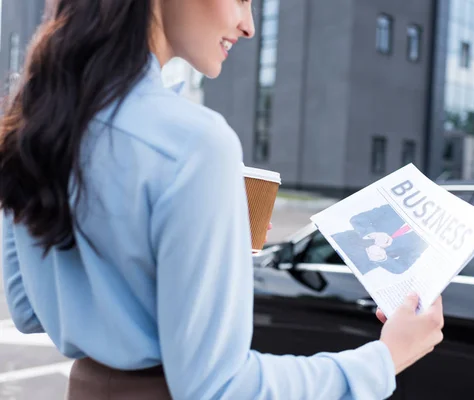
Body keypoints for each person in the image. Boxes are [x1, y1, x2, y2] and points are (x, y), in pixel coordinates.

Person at [0, 1, 444, 399]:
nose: (248, 25)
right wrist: (387, 358)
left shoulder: (38, 120)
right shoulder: (195, 144)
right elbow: (220, 387)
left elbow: (28, 310)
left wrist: (211, 250)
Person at [332, 205, 428, 275]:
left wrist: (382, 259)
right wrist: (373, 234)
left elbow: (401, 267)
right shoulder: (397, 207)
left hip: (355, 268)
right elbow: (358, 219)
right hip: (338, 245)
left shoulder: (423, 241)